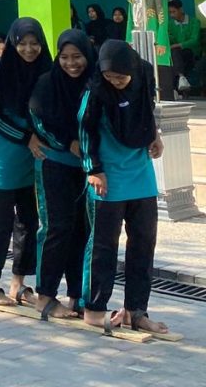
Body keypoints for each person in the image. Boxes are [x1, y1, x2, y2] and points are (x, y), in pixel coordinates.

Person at [79, 40, 168, 335]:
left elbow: (147, 109)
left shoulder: (143, 75)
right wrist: (93, 169)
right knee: (103, 245)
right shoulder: (95, 89)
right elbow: (85, 128)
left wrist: (154, 135)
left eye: (120, 77)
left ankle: (136, 311)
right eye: (110, 77)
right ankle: (94, 309)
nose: (115, 82)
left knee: (143, 242)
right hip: (107, 176)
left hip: (140, 172)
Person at [0, 17, 51, 308]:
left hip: (31, 165)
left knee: (28, 224)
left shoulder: (45, 71)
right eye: (23, 43)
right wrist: (25, 137)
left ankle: (18, 282)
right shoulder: (1, 69)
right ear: (12, 43)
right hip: (0, 166)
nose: (29, 49)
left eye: (35, 43)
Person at [29, 30, 96, 319]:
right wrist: (67, 142)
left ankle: (76, 295)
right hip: (54, 164)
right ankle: (45, 296)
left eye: (77, 57)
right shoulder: (47, 83)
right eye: (65, 57)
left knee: (82, 229)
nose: (71, 63)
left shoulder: (94, 82)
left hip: (85, 168)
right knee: (57, 227)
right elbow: (38, 120)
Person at [126, 0, 172, 100]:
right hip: (138, 39)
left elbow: (163, 21)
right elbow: (130, 20)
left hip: (156, 41)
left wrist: (161, 42)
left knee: (160, 74)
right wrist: (129, 41)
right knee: (140, 72)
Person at [167, 0, 201, 89]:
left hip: (191, 53)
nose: (172, 15)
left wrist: (178, 45)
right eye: (170, 12)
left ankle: (178, 82)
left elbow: (194, 41)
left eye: (174, 12)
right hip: (176, 54)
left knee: (176, 53)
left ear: (181, 10)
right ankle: (181, 78)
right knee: (174, 55)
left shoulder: (194, 22)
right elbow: (170, 38)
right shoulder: (170, 24)